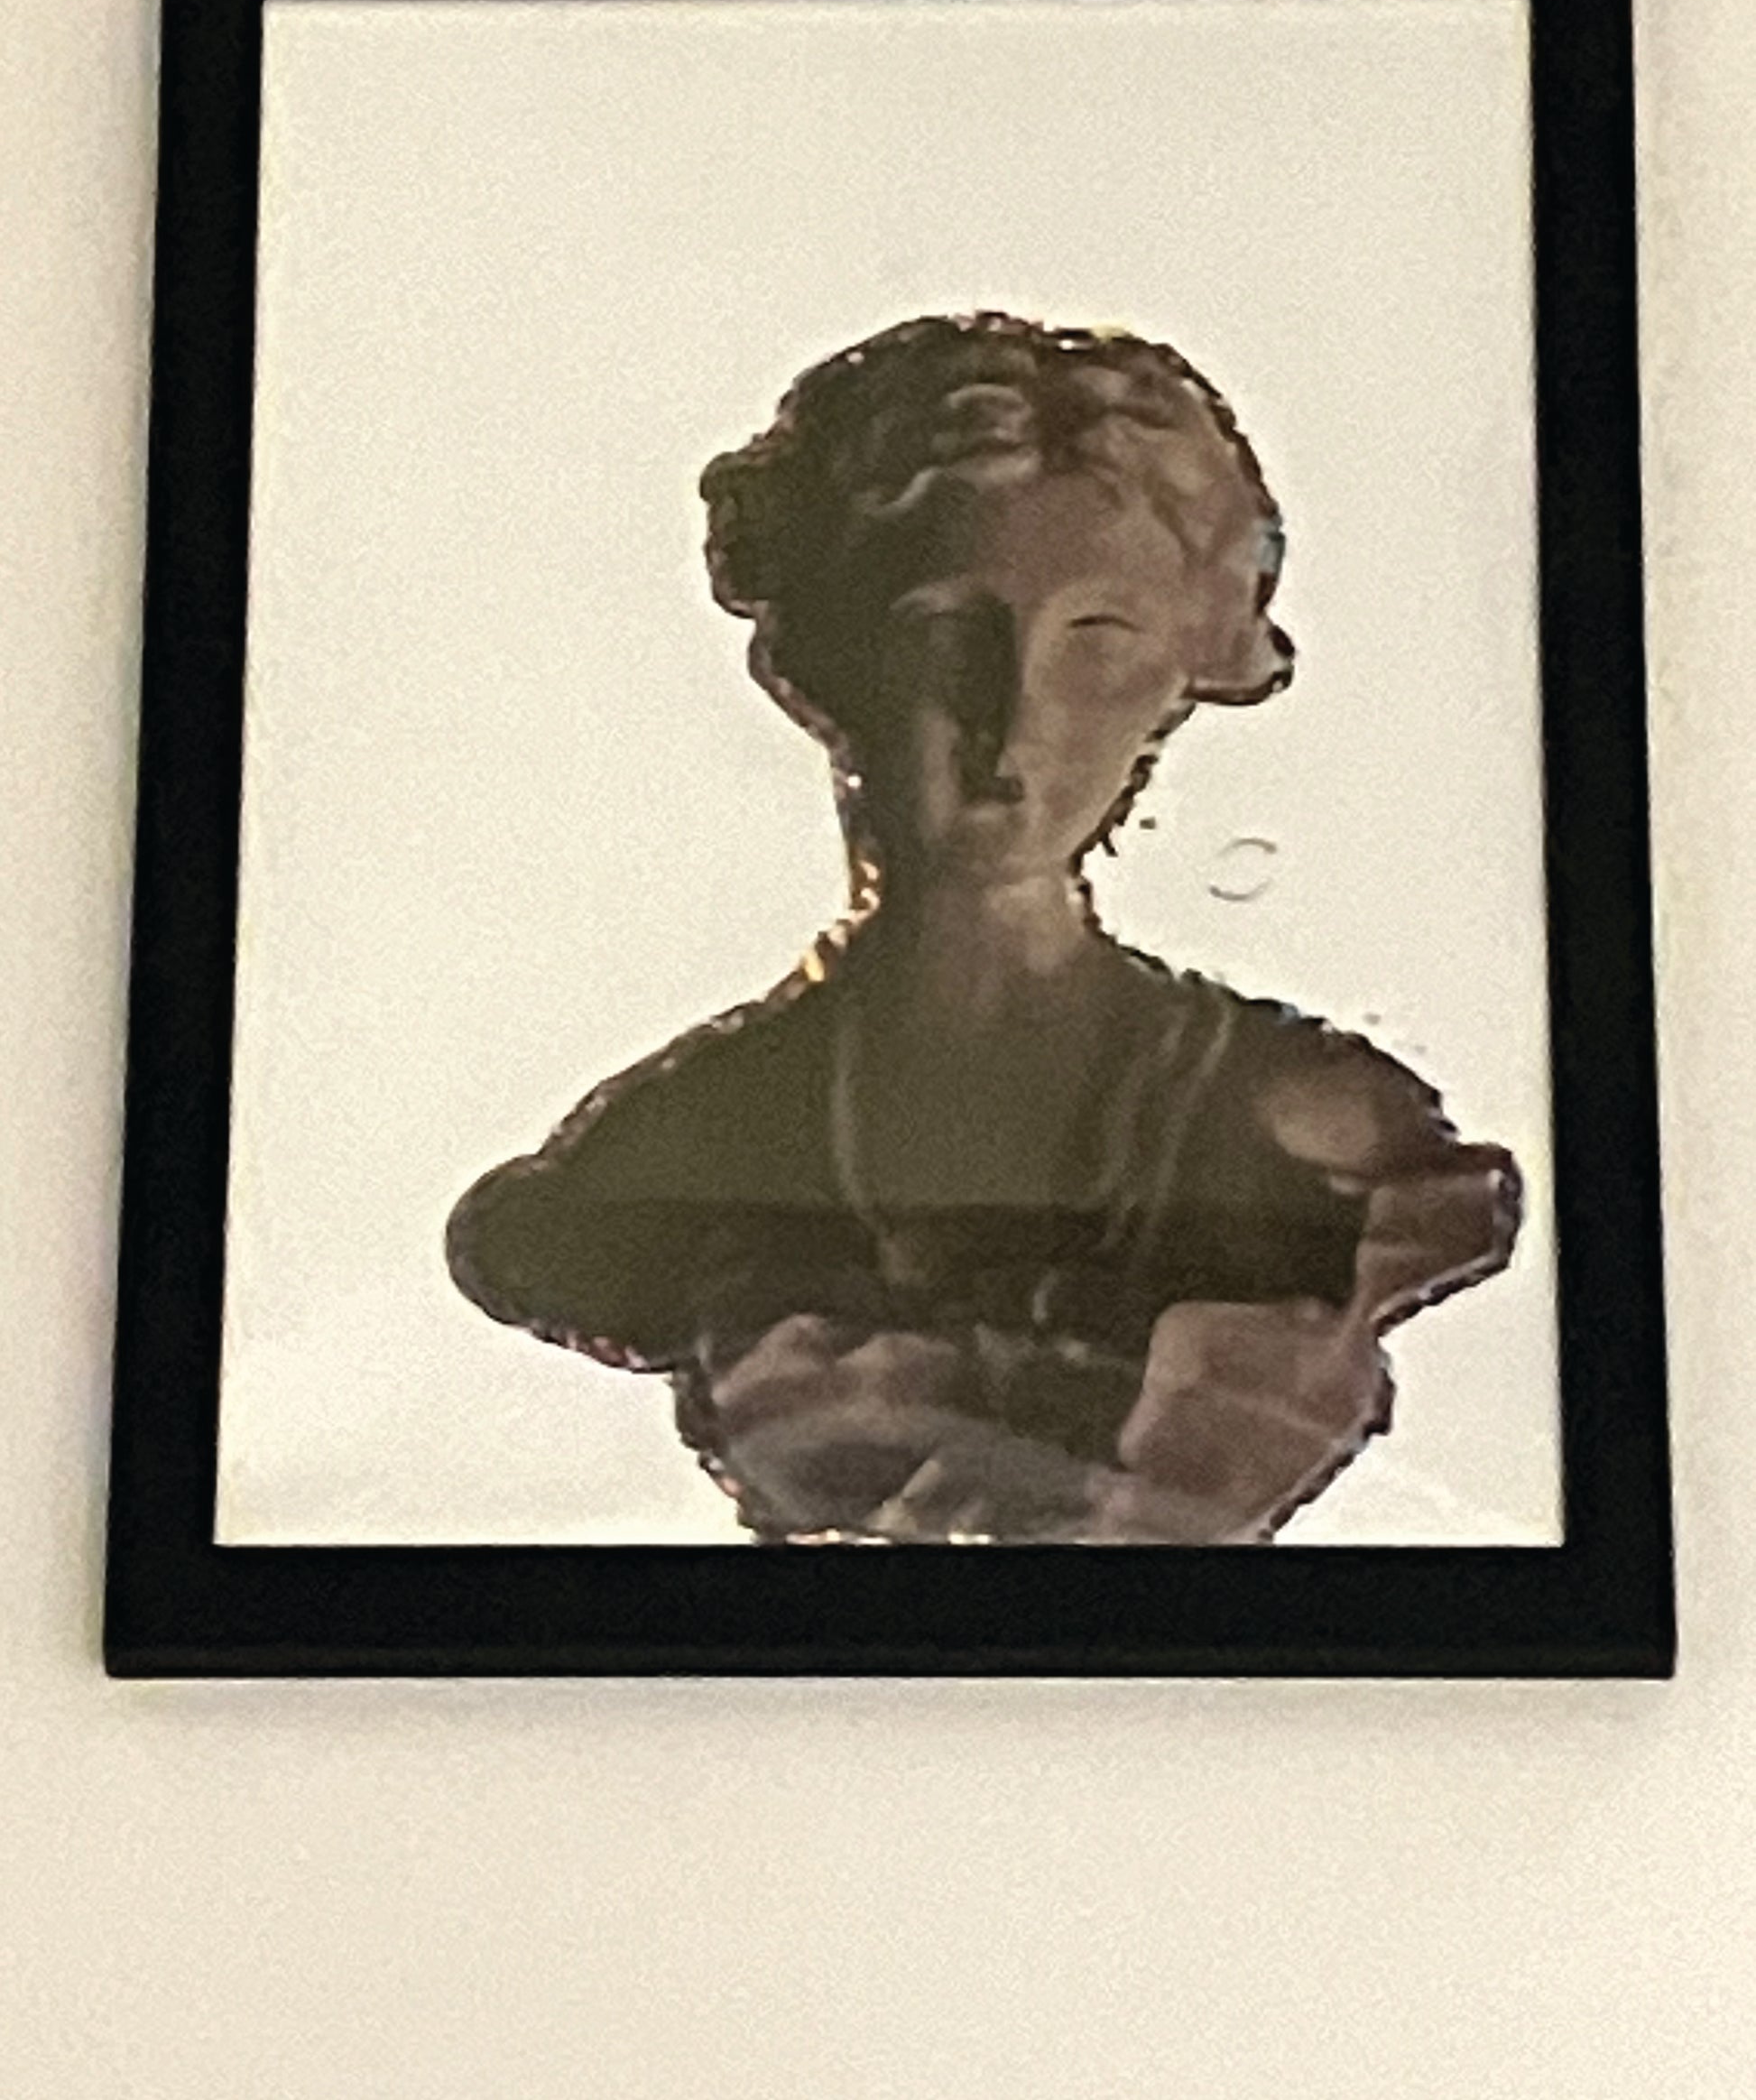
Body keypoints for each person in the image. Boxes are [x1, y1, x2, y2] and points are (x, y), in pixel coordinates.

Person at [446, 311, 1521, 1543]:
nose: (1011, 719)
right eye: (942, 633)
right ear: (823, 658)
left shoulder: (1316, 1135)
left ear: (1189, 665)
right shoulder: (674, 1147)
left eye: (1095, 641)